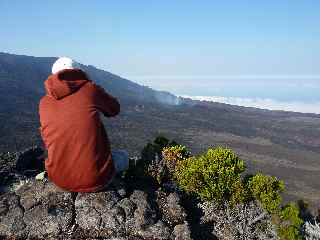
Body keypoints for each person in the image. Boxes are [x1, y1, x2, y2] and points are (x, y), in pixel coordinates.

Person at [38, 57, 128, 192]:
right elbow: (114, 109)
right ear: (78, 72)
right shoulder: (90, 89)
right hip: (95, 179)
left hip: (59, 179)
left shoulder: (44, 102)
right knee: (123, 157)